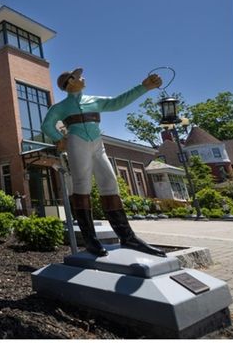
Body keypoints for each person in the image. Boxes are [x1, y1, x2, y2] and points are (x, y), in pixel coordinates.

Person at [41, 69, 165, 257]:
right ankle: (91, 241)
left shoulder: (94, 100)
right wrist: (60, 138)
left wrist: (144, 87)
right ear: (70, 82)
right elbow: (47, 125)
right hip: (77, 143)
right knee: (82, 185)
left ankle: (127, 237)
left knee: (110, 183)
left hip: (98, 145)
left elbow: (116, 103)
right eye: (79, 76)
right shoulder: (61, 107)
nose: (83, 78)